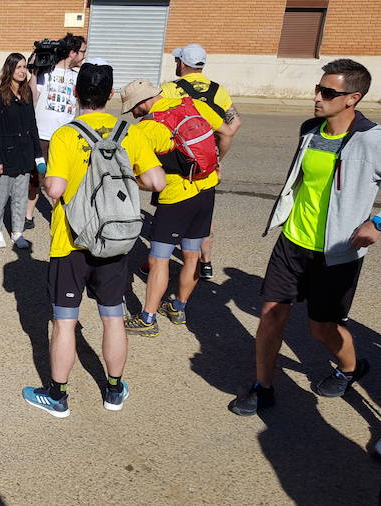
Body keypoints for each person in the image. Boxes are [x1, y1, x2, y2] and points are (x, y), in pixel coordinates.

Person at [230, 59, 377, 416]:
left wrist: (377, 222)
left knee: (321, 328)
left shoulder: (372, 140)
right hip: (294, 241)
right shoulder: (310, 129)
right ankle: (262, 387)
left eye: (328, 92)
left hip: (337, 251)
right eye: (318, 88)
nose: (317, 97)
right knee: (271, 316)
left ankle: (350, 368)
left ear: (351, 98)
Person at [21, 62, 165, 417]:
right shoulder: (130, 133)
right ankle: (114, 390)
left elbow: (54, 189)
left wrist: (53, 177)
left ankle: (58, 396)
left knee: (65, 320)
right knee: (112, 316)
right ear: (111, 95)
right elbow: (157, 181)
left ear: (75, 93)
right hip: (115, 239)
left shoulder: (67, 136)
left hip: (70, 241)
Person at [121, 79, 233, 338]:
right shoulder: (190, 104)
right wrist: (215, 163)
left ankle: (147, 318)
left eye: (133, 108)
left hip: (175, 196)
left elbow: (139, 173)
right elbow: (226, 133)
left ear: (142, 103)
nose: (133, 114)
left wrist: (137, 183)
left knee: (158, 257)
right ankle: (178, 308)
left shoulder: (148, 128)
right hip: (207, 188)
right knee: (191, 253)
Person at [160, 43, 243, 279]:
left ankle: (159, 260)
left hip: (179, 161)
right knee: (204, 216)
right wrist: (216, 157)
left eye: (178, 60)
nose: (176, 64)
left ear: (183, 63)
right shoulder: (218, 90)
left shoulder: (170, 89)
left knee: (169, 211)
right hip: (207, 163)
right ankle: (205, 264)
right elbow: (234, 124)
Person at [27, 33, 86, 231]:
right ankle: (28, 216)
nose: (84, 56)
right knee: (36, 179)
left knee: (62, 179)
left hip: (65, 136)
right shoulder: (46, 71)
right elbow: (33, 96)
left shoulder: (78, 76)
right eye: (82, 52)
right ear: (72, 53)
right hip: (42, 134)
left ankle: (58, 215)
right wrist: (34, 72)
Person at [0, 53, 41, 249]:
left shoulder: (26, 94)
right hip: (4, 156)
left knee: (19, 198)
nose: (22, 71)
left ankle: (17, 232)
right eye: (18, 67)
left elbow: (32, 126)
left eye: (25, 67)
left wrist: (37, 155)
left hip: (24, 156)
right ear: (10, 69)